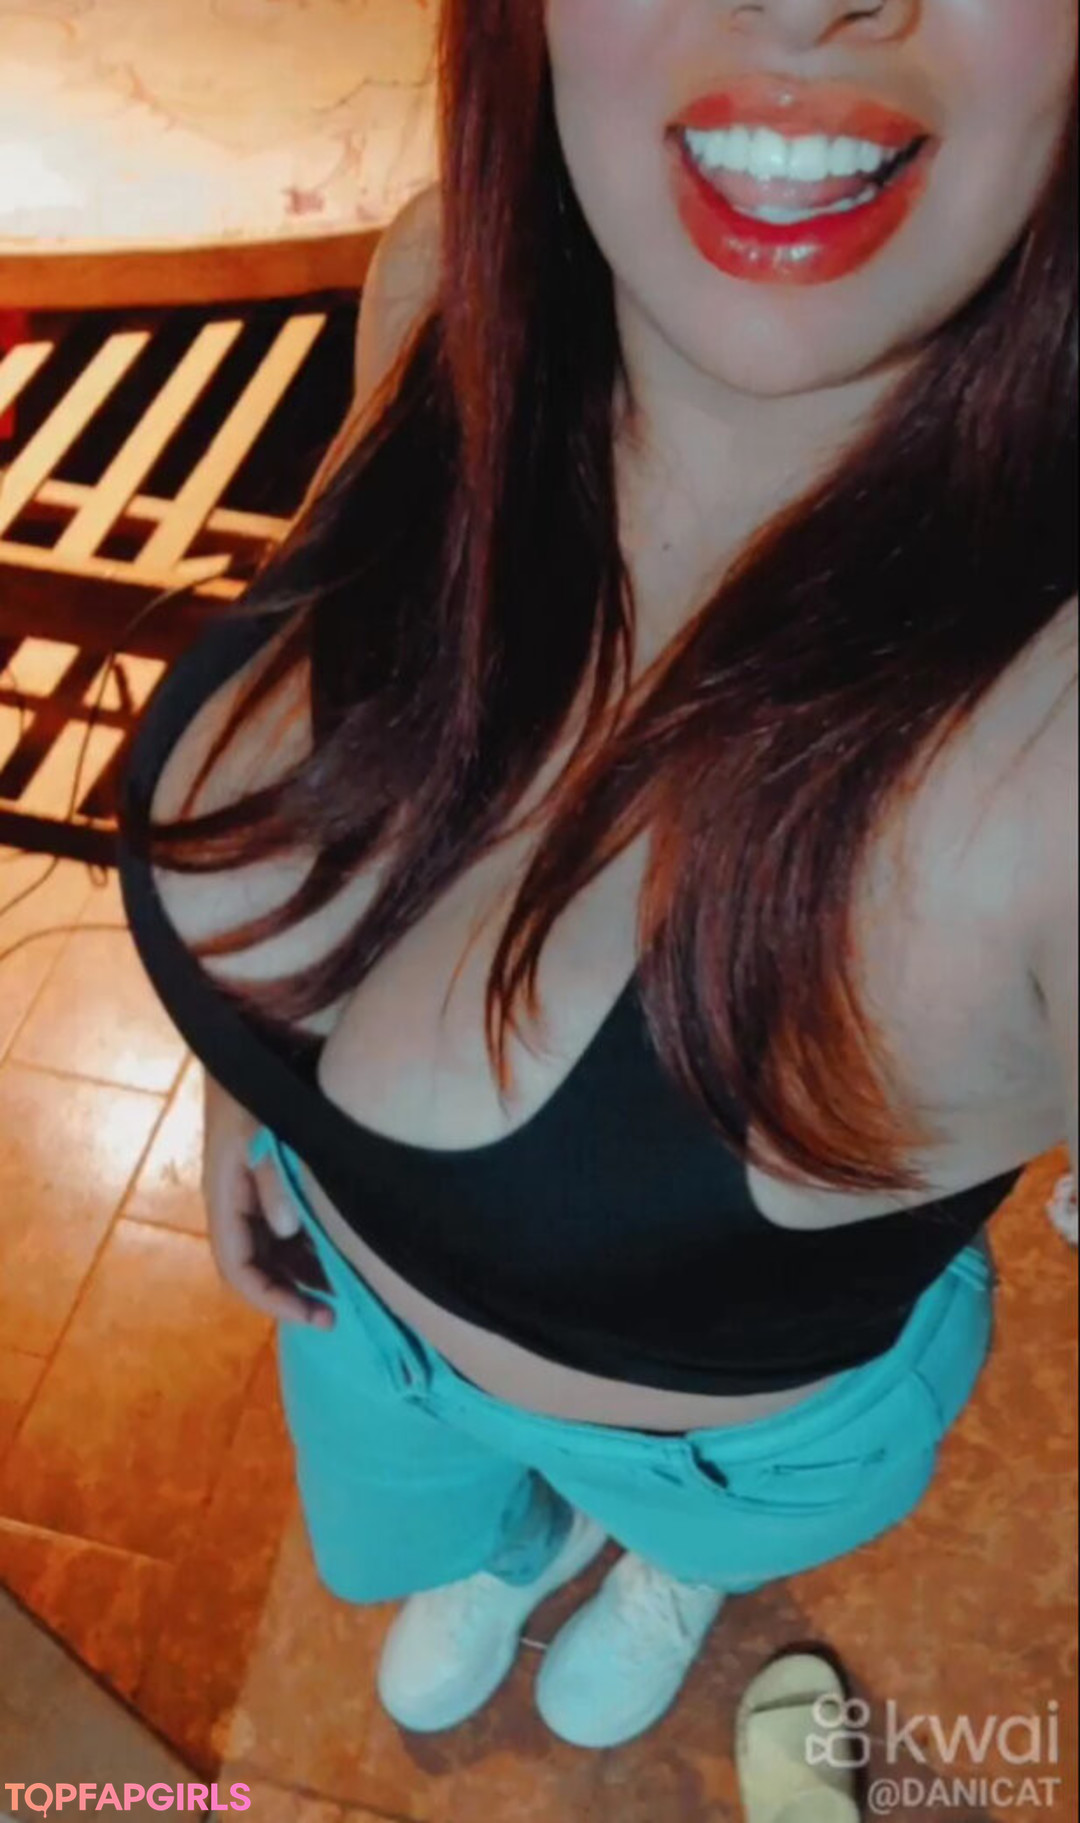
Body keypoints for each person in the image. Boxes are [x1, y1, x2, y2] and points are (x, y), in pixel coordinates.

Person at [116, 0, 1078, 1754]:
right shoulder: (442, 287)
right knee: (418, 1535)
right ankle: (516, 1548)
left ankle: (658, 1564)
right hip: (350, 1316)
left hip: (724, 1445)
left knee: (683, 1525)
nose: (804, 3)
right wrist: (254, 1084)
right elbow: (349, 759)